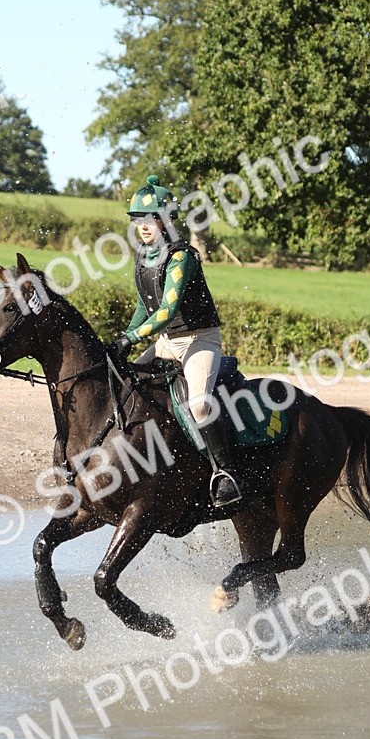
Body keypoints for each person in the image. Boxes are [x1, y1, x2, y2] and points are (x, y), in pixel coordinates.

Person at [107, 175, 242, 507]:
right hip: (168, 342)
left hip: (199, 339)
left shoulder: (182, 256)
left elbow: (167, 310)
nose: (143, 225)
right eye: (138, 219)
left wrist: (130, 339)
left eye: (149, 219)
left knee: (198, 403)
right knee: (125, 385)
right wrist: (122, 337)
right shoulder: (143, 256)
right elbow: (145, 307)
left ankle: (225, 474)